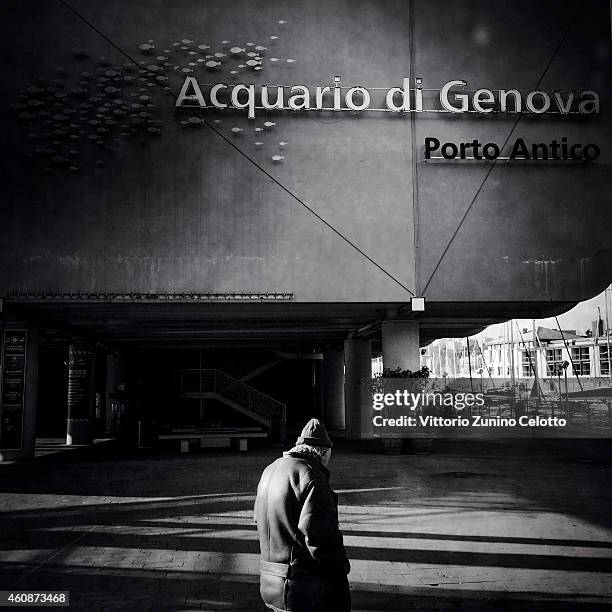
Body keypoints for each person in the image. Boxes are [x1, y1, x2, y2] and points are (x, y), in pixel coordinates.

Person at [254, 418, 351, 612]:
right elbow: (320, 538)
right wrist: (342, 567)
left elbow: (259, 520)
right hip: (301, 589)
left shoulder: (270, 469)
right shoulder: (310, 476)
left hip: (269, 583)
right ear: (322, 452)